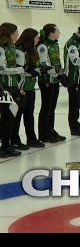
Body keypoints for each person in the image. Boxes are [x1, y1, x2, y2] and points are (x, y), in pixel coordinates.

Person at [11, 28, 45, 150]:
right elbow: (20, 69)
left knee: (29, 114)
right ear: (30, 38)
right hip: (21, 87)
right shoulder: (19, 51)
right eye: (36, 37)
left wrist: (41, 70)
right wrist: (31, 71)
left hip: (30, 87)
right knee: (18, 115)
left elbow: (35, 67)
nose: (38, 39)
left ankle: (31, 138)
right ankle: (14, 139)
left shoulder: (32, 50)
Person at [37, 24, 67, 143]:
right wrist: (58, 72)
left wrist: (61, 73)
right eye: (57, 31)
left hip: (55, 78)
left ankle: (50, 130)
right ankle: (44, 134)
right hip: (46, 80)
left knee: (52, 107)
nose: (59, 33)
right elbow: (44, 64)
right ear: (51, 33)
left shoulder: (55, 44)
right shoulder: (43, 46)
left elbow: (56, 62)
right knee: (46, 107)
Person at [0, 23, 23, 158]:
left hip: (13, 85)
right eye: (15, 32)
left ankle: (7, 144)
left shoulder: (12, 48)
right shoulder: (1, 49)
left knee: (11, 115)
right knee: (5, 116)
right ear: (9, 34)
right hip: (4, 86)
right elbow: (1, 70)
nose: (17, 35)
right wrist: (18, 69)